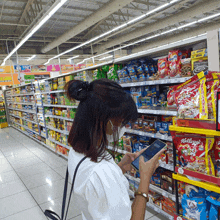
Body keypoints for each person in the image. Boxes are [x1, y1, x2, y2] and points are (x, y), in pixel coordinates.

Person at [65, 79, 165, 220]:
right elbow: (101, 179)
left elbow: (97, 192)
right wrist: (145, 179)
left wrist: (120, 168)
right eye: (122, 121)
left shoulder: (77, 151)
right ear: (106, 121)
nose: (124, 127)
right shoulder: (101, 171)